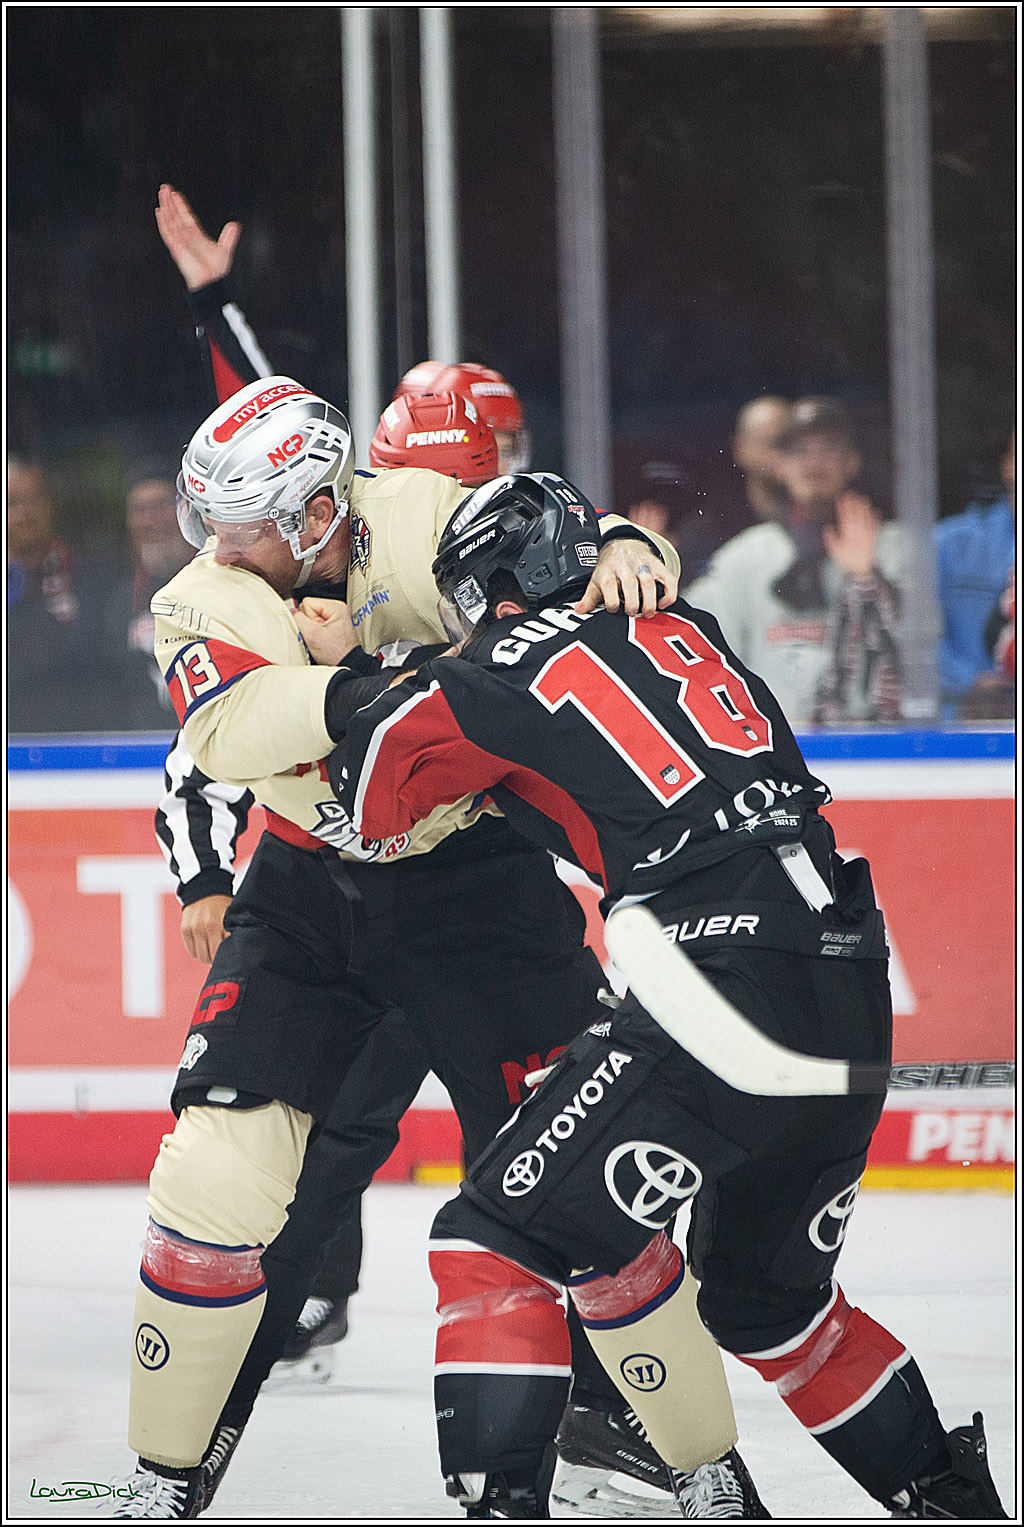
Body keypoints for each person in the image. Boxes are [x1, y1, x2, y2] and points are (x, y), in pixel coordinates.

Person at [115, 374, 764, 1521]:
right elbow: (231, 728)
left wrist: (607, 537)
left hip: (477, 893)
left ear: (322, 509)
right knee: (217, 1176)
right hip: (310, 892)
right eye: (208, 521)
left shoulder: (411, 509)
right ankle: (161, 1480)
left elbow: (534, 533)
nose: (219, 547)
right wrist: (391, 679)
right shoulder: (199, 597)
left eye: (245, 523)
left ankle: (700, 1464)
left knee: (591, 1191)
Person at [297, 471, 1007, 1520]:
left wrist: (345, 675)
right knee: (773, 1310)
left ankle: (502, 1506)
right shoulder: (691, 624)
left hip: (715, 978)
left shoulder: (492, 663)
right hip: (847, 967)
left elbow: (367, 805)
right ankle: (954, 1506)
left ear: (488, 584)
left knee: (488, 1235)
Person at [686, 396, 905, 729]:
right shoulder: (743, 557)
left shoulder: (894, 548)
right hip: (773, 752)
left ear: (852, 462)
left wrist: (867, 579)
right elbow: (705, 662)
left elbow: (919, 663)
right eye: (799, 451)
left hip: (874, 751)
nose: (813, 463)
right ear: (779, 464)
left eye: (827, 449)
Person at [7, 455, 123, 732]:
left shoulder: (95, 576)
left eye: (32, 500)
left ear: (49, 505)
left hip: (85, 744)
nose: (24, 514)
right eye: (12, 503)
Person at [107, 459, 194, 729]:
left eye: (161, 506)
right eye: (139, 510)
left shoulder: (223, 586)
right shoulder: (114, 599)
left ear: (187, 512)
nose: (150, 520)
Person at [934, 429, 1015, 718]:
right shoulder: (949, 544)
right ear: (1007, 463)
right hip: (960, 730)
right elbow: (914, 639)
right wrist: (968, 680)